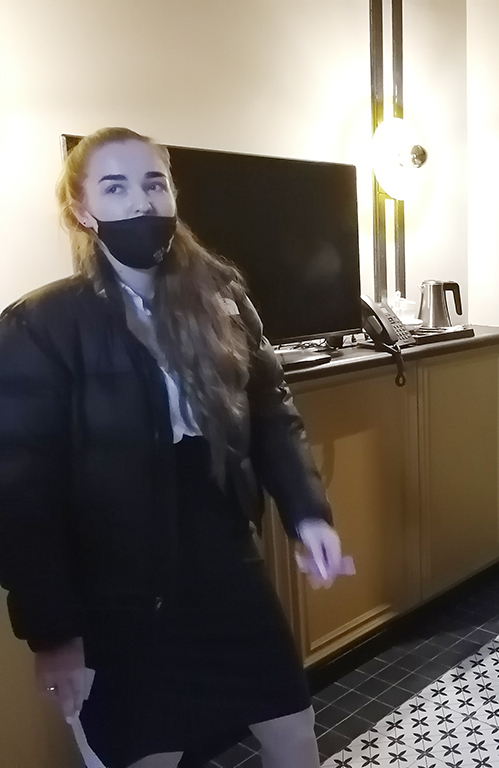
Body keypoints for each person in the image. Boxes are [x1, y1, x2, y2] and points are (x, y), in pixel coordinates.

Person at [0, 128, 353, 768]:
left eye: (154, 183)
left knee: (294, 732)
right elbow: (21, 493)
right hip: (117, 587)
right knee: (148, 753)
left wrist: (308, 515)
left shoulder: (222, 297)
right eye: (115, 187)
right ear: (83, 209)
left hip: (224, 558)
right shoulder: (40, 325)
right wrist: (52, 632)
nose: (140, 201)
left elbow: (271, 412)